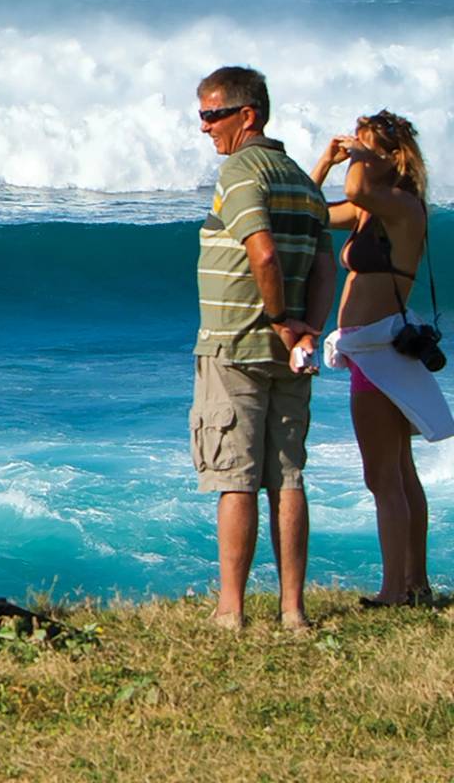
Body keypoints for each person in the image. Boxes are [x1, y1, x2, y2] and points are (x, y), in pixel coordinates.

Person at [191, 66, 334, 631]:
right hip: (287, 352)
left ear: (246, 115)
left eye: (211, 114)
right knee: (288, 475)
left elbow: (265, 253)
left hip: (238, 347)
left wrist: (278, 320)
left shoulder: (241, 171)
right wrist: (307, 331)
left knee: (235, 476)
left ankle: (231, 610)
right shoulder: (300, 178)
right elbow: (324, 266)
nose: (204, 128)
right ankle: (293, 611)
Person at [311, 109, 439, 606]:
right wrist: (325, 161)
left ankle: (394, 591)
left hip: (382, 348)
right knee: (399, 470)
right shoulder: (369, 212)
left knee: (383, 475)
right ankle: (415, 584)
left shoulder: (403, 206)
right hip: (366, 351)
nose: (354, 156)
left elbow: (362, 190)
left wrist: (361, 159)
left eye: (365, 148)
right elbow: (310, 211)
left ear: (392, 158)